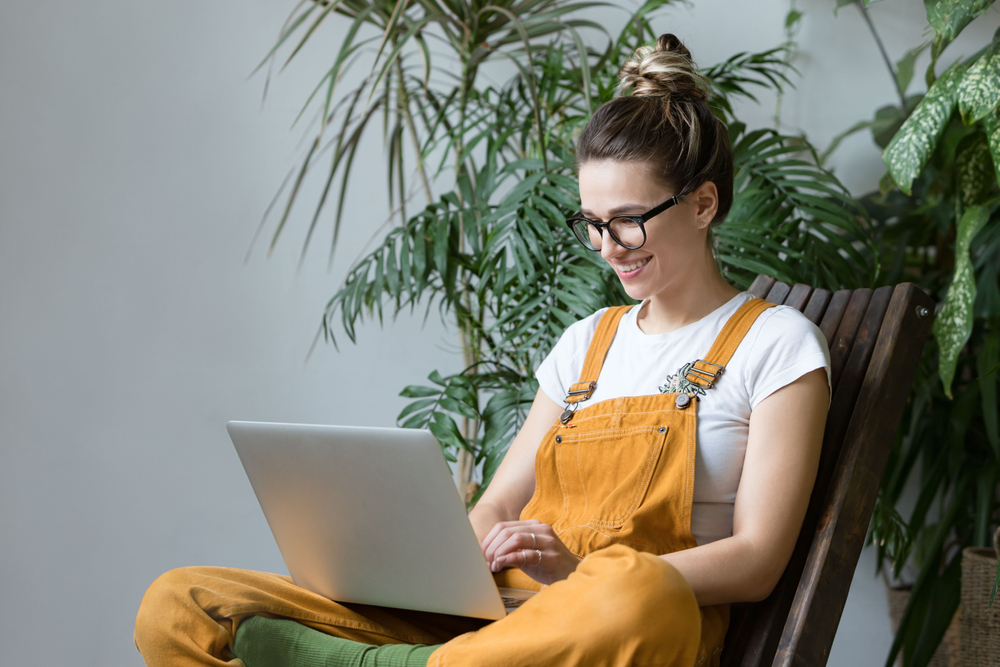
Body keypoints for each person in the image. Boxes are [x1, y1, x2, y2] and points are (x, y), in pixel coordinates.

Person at [134, 33, 831, 667]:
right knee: (182, 603)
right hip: (504, 619)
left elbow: (756, 559)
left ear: (703, 203)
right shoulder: (586, 344)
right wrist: (432, 572)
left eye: (627, 220)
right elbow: (496, 503)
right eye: (591, 222)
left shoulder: (776, 344)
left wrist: (583, 574)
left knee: (637, 592)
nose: (606, 247)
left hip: (619, 626)